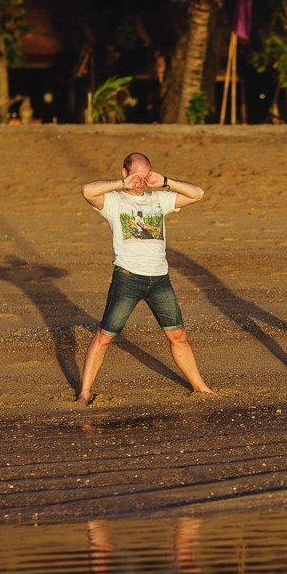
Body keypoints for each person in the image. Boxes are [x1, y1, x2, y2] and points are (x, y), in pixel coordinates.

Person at [77, 152, 214, 404]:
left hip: (160, 280)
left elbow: (198, 194)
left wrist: (165, 181)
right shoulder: (114, 202)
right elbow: (87, 190)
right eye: (135, 175)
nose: (140, 181)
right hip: (127, 278)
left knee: (178, 336)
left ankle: (200, 386)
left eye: (145, 175)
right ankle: (84, 392)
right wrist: (123, 184)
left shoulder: (159, 200)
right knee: (105, 337)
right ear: (124, 172)